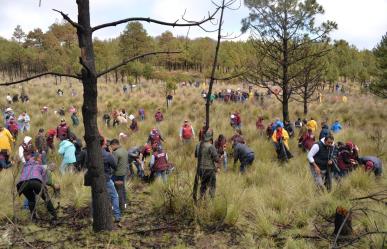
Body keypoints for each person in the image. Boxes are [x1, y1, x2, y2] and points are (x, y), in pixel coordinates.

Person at [16, 156, 58, 222]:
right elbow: (45, 180)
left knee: (31, 200)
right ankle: (54, 217)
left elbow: (22, 176)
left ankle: (33, 218)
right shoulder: (40, 166)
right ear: (37, 161)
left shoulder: (25, 167)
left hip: (22, 184)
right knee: (46, 198)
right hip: (35, 182)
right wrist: (49, 187)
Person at [100, 138, 121, 223]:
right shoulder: (108, 155)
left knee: (96, 197)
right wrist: (111, 154)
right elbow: (115, 166)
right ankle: (117, 216)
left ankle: (95, 216)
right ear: (103, 144)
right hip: (106, 179)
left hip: (95, 180)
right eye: (105, 144)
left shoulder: (92, 153)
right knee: (114, 196)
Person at [194, 129, 220, 199]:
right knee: (212, 186)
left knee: (203, 185)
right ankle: (211, 201)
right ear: (210, 137)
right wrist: (219, 156)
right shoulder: (211, 146)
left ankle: (202, 199)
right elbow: (217, 160)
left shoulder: (198, 145)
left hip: (200, 169)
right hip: (210, 169)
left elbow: (196, 155)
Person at [110, 139, 128, 211]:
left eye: (111, 146)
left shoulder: (116, 153)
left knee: (114, 190)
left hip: (116, 174)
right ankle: (124, 204)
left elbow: (114, 164)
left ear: (114, 144)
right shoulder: (125, 150)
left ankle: (115, 206)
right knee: (122, 189)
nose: (111, 148)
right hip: (124, 173)